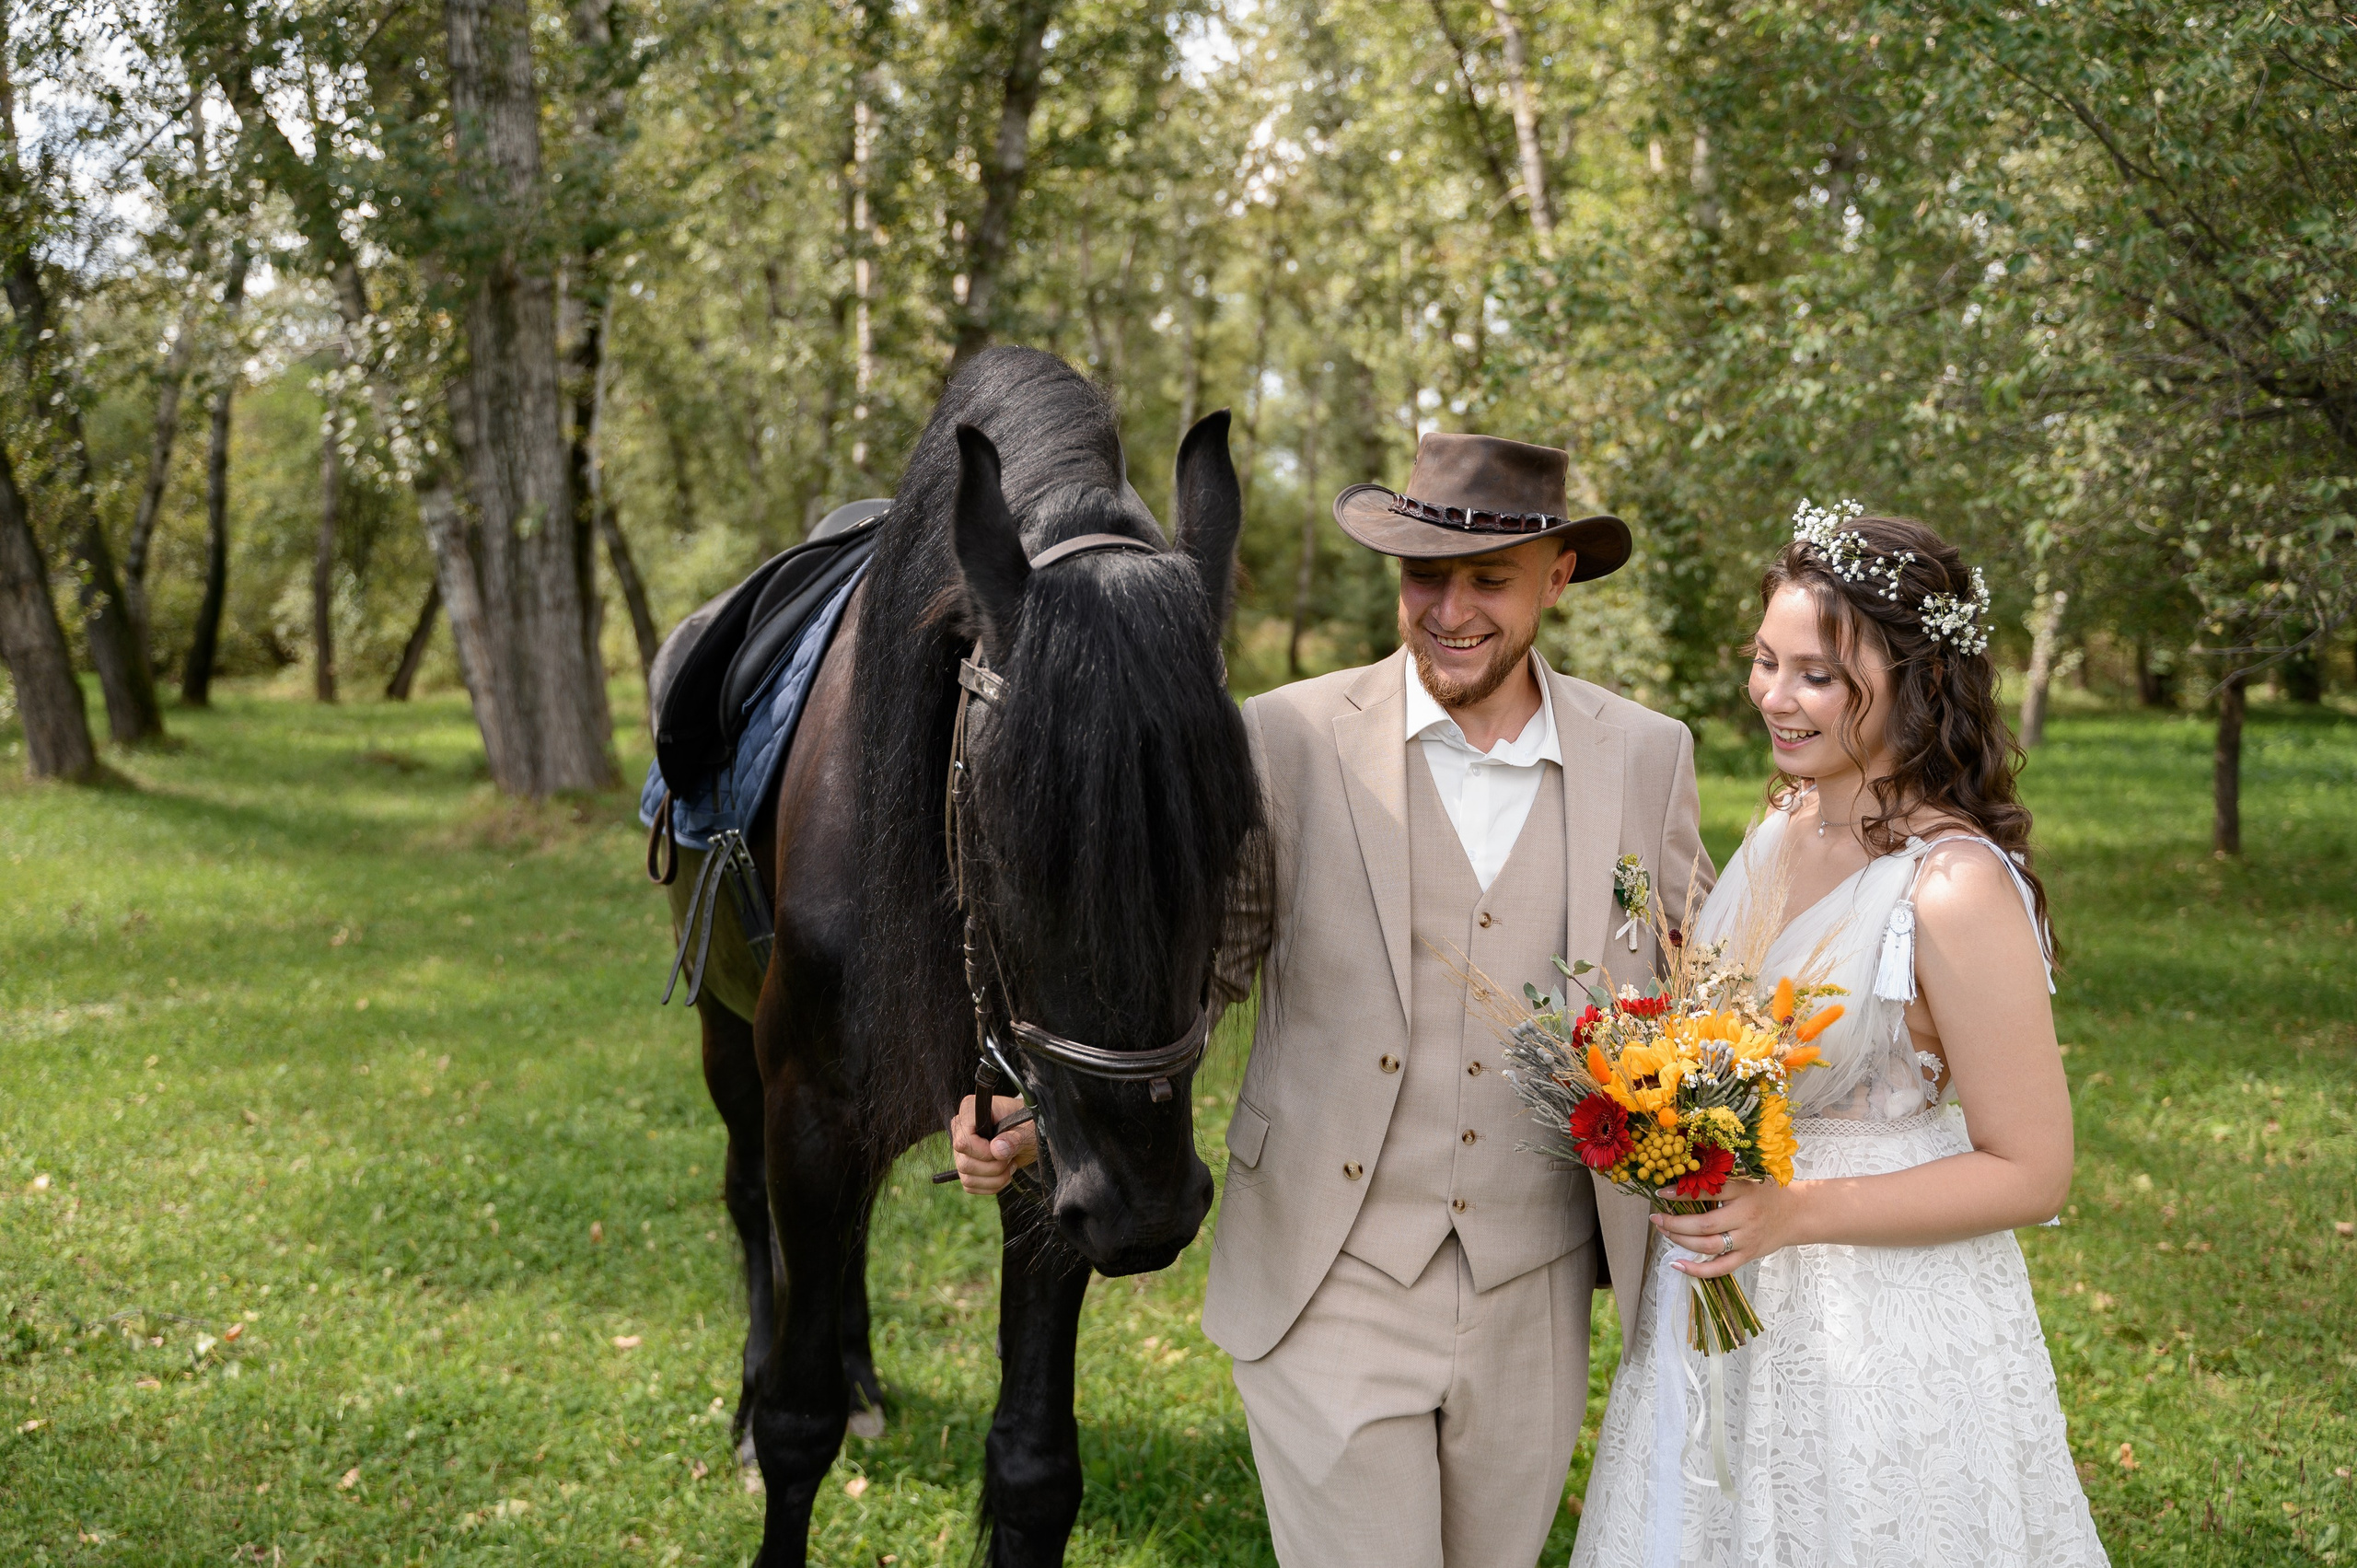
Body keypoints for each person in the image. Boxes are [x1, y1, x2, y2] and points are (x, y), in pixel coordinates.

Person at [954, 432, 1713, 1567]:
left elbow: (1697, 989)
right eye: (1423, 576)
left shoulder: (1647, 754)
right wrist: (1036, 1110)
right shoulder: (1287, 736)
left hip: (1535, 1283)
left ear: (1558, 577)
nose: (1449, 611)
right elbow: (1197, 969)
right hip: (1329, 1274)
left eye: (1488, 580)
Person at [1569, 505, 2108, 1567]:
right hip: (1727, 1273)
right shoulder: (1782, 820)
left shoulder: (1950, 889)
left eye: (1817, 673)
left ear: (1916, 679)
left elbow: (2034, 1169)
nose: (1774, 694)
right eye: (1766, 661)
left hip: (1880, 1313)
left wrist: (1797, 1210)